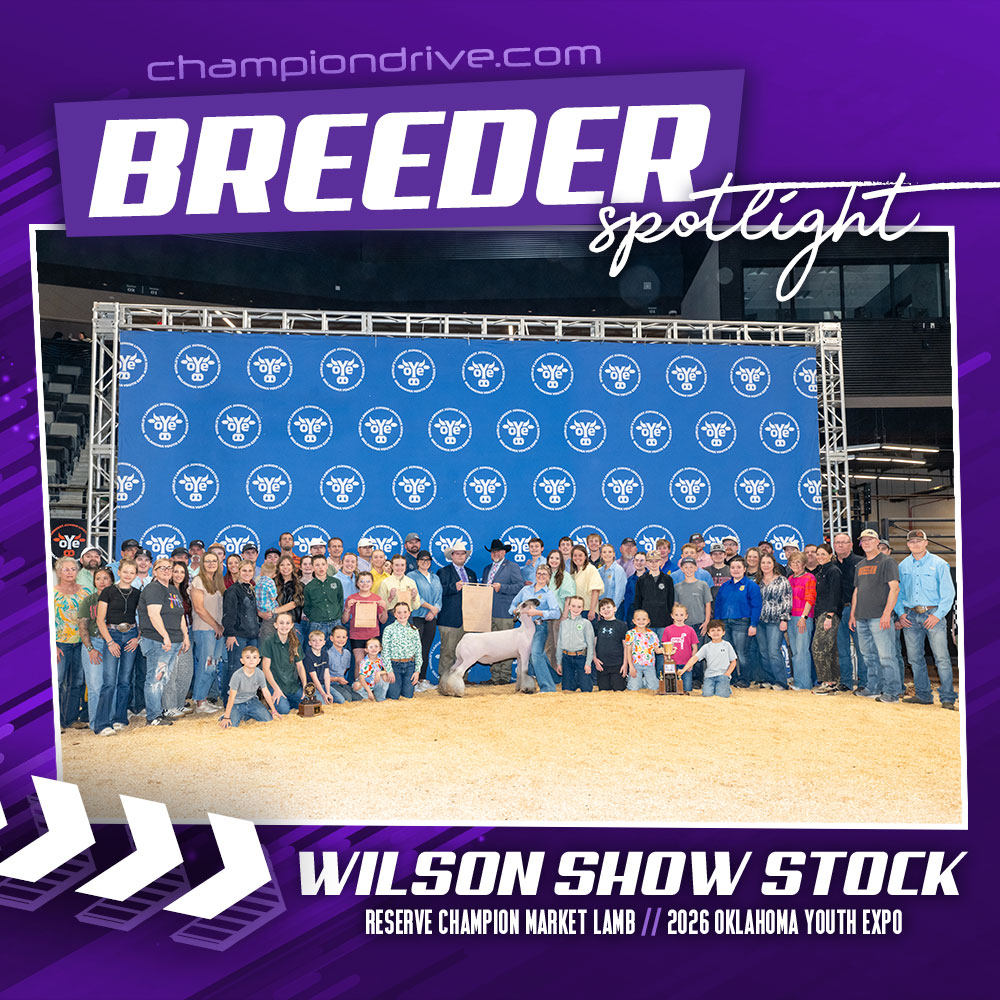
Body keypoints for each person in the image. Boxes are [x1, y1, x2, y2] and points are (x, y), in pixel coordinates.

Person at [895, 529, 957, 709]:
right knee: (914, 658)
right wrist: (901, 613)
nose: (915, 544)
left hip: (933, 614)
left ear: (926, 542)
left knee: (941, 658)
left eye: (918, 541)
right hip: (910, 616)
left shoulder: (940, 564)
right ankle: (923, 695)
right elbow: (899, 592)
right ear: (907, 544)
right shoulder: (903, 566)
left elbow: (948, 594)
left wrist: (937, 615)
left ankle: (947, 698)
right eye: (911, 541)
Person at [849, 528, 902, 703]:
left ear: (877, 542)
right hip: (861, 616)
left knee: (886, 656)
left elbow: (894, 589)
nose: (866, 543)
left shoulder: (887, 562)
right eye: (863, 540)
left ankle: (892, 692)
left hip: (879, 617)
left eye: (870, 540)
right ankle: (873, 687)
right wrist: (853, 614)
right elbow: (857, 591)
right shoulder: (860, 565)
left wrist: (887, 613)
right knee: (868, 655)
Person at [136, 557, 190, 727]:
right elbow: (153, 615)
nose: (166, 571)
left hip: (174, 640)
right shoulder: (153, 588)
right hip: (157, 641)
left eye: (169, 568)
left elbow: (180, 614)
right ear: (154, 571)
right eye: (162, 568)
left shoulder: (172, 589)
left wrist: (185, 635)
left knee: (163, 679)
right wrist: (165, 636)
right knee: (155, 679)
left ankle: (158, 712)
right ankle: (153, 716)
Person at [94, 558, 141, 734]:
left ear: (135, 575)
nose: (128, 575)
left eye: (132, 572)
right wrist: (110, 642)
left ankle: (120, 718)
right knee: (109, 682)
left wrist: (138, 637)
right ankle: (102, 724)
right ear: (119, 572)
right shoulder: (108, 592)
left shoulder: (138, 594)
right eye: (125, 572)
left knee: (125, 681)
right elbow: (100, 620)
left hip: (131, 636)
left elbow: (144, 617)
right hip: (112, 635)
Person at [509, 564, 562, 692]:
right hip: (524, 628)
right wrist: (515, 611)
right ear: (535, 575)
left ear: (548, 577)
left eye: (544, 574)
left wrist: (538, 612)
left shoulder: (548, 594)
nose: (541, 576)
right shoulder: (525, 590)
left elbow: (556, 613)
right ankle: (555, 678)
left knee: (535, 653)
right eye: (539, 573)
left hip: (539, 627)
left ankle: (548, 687)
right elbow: (513, 605)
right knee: (539, 655)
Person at [482, 538, 526, 684]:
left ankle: (504, 676)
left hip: (504, 612)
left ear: (504, 552)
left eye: (498, 551)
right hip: (489, 612)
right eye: (493, 551)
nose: (495, 553)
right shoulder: (487, 569)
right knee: (492, 645)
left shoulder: (512, 567)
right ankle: (494, 676)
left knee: (506, 645)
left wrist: (503, 588)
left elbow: (520, 586)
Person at [713, 557, 761, 687]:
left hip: (742, 623)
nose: (735, 570)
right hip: (724, 623)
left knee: (742, 652)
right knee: (728, 652)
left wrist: (753, 624)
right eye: (733, 567)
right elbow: (718, 604)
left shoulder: (751, 586)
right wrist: (717, 623)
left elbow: (756, 606)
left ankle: (744, 679)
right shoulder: (725, 586)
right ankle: (732, 677)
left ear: (744, 569)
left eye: (739, 567)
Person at [77, 567, 114, 733]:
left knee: (111, 684)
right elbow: (82, 626)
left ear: (112, 581)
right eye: (98, 578)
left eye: (105, 578)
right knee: (94, 685)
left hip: (113, 644)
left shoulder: (117, 600)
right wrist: (90, 648)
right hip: (94, 643)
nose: (102, 582)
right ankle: (96, 723)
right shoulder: (89, 601)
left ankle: (109, 720)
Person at [190, 550, 227, 713]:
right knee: (206, 665)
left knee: (213, 665)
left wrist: (220, 626)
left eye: (214, 561)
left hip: (217, 631)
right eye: (208, 561)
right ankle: (199, 702)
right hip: (204, 629)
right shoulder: (198, 581)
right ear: (202, 564)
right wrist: (215, 625)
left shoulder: (218, 582)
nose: (211, 564)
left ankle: (204, 699)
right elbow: (199, 609)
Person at [436, 542, 477, 679]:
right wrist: (453, 587)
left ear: (466, 556)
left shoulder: (471, 573)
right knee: (448, 652)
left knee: (465, 652)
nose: (460, 556)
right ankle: (445, 680)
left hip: (468, 619)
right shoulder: (443, 572)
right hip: (449, 619)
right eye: (457, 553)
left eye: (462, 553)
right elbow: (438, 591)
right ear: (452, 556)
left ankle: (461, 679)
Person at [54, 557, 85, 729]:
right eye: (66, 569)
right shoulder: (52, 593)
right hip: (60, 644)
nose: (70, 572)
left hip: (80, 643)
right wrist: (53, 645)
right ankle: (55, 721)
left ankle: (71, 719)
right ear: (59, 572)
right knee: (58, 682)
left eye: (73, 569)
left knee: (76, 682)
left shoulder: (84, 592)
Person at [219, 645, 281, 729]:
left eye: (254, 657)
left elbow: (266, 692)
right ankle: (228, 714)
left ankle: (246, 714)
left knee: (268, 719)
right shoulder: (237, 675)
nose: (251, 660)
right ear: (242, 660)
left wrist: (273, 710)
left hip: (252, 701)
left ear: (258, 661)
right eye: (248, 657)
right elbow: (231, 697)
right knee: (231, 725)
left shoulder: (260, 674)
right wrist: (227, 717)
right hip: (237, 703)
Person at [161, 561, 194, 717]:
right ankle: (168, 707)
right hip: (170, 634)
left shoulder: (184, 591)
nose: (179, 575)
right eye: (175, 571)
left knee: (185, 671)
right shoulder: (164, 590)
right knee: (171, 672)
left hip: (185, 633)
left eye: (182, 572)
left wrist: (185, 635)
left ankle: (179, 704)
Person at [811, 543, 844, 694]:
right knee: (830, 649)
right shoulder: (820, 571)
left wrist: (830, 615)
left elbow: (835, 595)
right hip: (820, 614)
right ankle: (833, 681)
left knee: (819, 647)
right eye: (818, 554)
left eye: (823, 554)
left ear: (831, 555)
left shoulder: (833, 571)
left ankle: (827, 682)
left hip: (828, 614)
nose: (820, 557)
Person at [756, 554, 791, 690]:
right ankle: (769, 679)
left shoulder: (782, 580)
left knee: (773, 652)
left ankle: (781, 682)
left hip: (776, 621)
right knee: (763, 652)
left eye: (768, 562)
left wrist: (784, 619)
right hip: (760, 621)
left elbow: (787, 600)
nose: (765, 565)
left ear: (773, 564)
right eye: (763, 563)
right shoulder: (758, 581)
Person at [260, 611, 307, 714]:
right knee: (284, 710)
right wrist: (276, 689)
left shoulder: (295, 643)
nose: (284, 626)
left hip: (292, 686)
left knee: (307, 703)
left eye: (287, 623)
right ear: (275, 625)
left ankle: (286, 700)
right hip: (275, 685)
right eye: (281, 623)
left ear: (292, 625)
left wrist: (305, 686)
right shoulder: (268, 642)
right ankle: (270, 699)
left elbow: (300, 666)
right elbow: (265, 669)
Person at [222, 559, 260, 684]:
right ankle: (230, 696)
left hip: (252, 636)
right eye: (244, 570)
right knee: (235, 669)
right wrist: (230, 634)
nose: (247, 573)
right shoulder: (232, 591)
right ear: (238, 571)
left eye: (250, 571)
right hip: (238, 636)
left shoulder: (251, 589)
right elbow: (229, 613)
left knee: (251, 669)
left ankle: (247, 695)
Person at [410, 550, 442, 692]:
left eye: (428, 559)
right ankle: (413, 681)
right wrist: (431, 608)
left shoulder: (435, 578)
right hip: (417, 616)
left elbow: (439, 597)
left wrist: (434, 610)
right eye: (422, 559)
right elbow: (416, 597)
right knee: (416, 650)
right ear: (417, 562)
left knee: (426, 649)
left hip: (431, 618)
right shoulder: (411, 576)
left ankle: (422, 679)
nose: (425, 562)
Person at [343, 570, 388, 671]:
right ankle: (358, 681)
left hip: (373, 634)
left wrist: (385, 609)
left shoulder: (377, 598)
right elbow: (344, 620)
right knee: (359, 662)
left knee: (373, 663)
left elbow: (383, 621)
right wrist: (347, 609)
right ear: (357, 583)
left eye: (368, 581)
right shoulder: (351, 598)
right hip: (357, 635)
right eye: (362, 581)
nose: (365, 584)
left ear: (372, 583)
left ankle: (373, 682)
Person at [786, 551, 817, 691]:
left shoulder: (809, 578)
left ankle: (804, 684)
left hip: (802, 617)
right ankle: (798, 681)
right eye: (793, 562)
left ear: (804, 564)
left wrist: (804, 617)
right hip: (791, 617)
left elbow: (810, 598)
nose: (796, 565)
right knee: (795, 651)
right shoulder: (790, 578)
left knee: (802, 651)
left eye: (799, 562)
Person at [684, 621, 738, 698]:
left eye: (718, 630)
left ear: (723, 632)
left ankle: (726, 688)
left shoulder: (727, 645)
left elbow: (733, 661)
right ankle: (720, 687)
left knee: (721, 695)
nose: (716, 633)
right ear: (708, 633)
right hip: (709, 676)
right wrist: (683, 670)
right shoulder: (706, 647)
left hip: (723, 675)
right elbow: (695, 658)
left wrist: (727, 673)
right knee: (707, 694)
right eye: (713, 630)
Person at [544, 548, 577, 675]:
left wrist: (564, 615)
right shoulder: (545, 576)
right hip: (547, 614)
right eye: (552, 558)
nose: (554, 560)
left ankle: (564, 673)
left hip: (559, 614)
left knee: (559, 645)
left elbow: (569, 597)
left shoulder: (565, 576)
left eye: (557, 558)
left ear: (561, 561)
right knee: (548, 645)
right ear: (548, 560)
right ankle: (552, 674)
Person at [303, 554, 344, 651]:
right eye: (317, 565)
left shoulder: (336, 582)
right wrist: (316, 617)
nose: (320, 567)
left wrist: (336, 613)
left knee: (336, 650)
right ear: (313, 567)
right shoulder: (309, 587)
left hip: (335, 622)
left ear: (327, 566)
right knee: (317, 651)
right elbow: (307, 607)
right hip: (318, 624)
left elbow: (340, 601)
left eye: (323, 564)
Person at [382, 602, 422, 700]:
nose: (402, 615)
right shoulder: (389, 629)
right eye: (399, 612)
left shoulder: (414, 630)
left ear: (409, 613)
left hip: (410, 666)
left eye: (405, 612)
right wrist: (389, 670)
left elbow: (418, 650)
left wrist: (417, 671)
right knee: (393, 696)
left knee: (408, 696)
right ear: (395, 614)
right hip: (395, 666)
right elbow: (385, 651)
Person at [555, 595, 596, 692]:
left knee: (586, 689)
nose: (576, 609)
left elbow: (590, 645)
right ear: (569, 607)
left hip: (581, 658)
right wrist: (559, 662)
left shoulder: (586, 623)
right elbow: (559, 643)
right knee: (567, 689)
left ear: (582, 608)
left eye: (579, 607)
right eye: (573, 606)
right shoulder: (563, 623)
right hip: (566, 659)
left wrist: (588, 663)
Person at [632, 549, 674, 633]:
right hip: (646, 622)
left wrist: (670, 618)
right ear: (647, 563)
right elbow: (638, 601)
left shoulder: (667, 579)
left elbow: (670, 600)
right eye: (651, 561)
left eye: (656, 561)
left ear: (660, 562)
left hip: (664, 621)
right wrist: (638, 618)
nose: (653, 564)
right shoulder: (641, 580)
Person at [662, 604, 699, 693]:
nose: (679, 617)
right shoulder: (667, 630)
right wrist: (666, 661)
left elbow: (695, 648)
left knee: (687, 689)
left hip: (686, 664)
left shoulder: (690, 630)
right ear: (672, 616)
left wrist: (691, 664)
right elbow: (665, 647)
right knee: (671, 688)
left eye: (682, 615)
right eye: (676, 615)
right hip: (672, 664)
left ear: (686, 616)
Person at [672, 557, 712, 640]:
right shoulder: (677, 587)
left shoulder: (703, 585)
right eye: (686, 567)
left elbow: (708, 605)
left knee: (698, 648)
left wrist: (706, 622)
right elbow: (676, 605)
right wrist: (676, 622)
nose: (689, 569)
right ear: (682, 569)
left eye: (691, 567)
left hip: (699, 625)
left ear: (696, 568)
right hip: (683, 624)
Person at [592, 597, 627, 692]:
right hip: (602, 665)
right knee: (604, 690)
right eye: (603, 608)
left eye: (608, 607)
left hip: (617, 665)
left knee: (619, 689)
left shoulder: (622, 625)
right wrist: (595, 659)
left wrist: (625, 664)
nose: (606, 610)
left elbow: (626, 647)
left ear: (615, 608)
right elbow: (593, 644)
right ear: (600, 612)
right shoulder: (597, 625)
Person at [323, 625, 364, 704]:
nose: (341, 640)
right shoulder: (327, 655)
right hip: (330, 684)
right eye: (338, 637)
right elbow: (322, 676)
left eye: (343, 637)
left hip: (341, 683)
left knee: (359, 699)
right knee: (347, 699)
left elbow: (345, 670)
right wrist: (336, 679)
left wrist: (341, 680)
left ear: (347, 638)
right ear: (331, 638)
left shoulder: (347, 653)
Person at [624, 608, 660, 691]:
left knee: (653, 687)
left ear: (648, 621)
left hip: (649, 664)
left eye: (644, 619)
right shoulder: (630, 633)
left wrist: (666, 650)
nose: (641, 621)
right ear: (633, 621)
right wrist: (631, 667)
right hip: (635, 664)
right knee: (633, 688)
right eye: (638, 619)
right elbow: (628, 651)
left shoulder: (652, 634)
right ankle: (637, 680)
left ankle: (644, 680)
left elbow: (657, 650)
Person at [274, 555, 305, 647]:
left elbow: (294, 603)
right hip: (274, 623)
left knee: (295, 651)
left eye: (288, 564)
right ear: (278, 567)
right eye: (282, 565)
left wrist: (274, 611)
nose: (285, 567)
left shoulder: (300, 585)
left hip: (294, 624)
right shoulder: (271, 583)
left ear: (293, 567)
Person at [568, 543, 605, 621]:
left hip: (587, 611)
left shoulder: (591, 569)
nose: (577, 558)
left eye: (580, 555)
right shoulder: (573, 573)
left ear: (585, 557)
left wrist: (592, 610)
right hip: (575, 611)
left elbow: (595, 590)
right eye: (575, 555)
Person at [354, 637, 390, 701]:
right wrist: (369, 692)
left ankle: (380, 697)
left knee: (386, 676)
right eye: (371, 647)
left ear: (380, 648)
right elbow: (361, 678)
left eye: (376, 646)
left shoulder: (381, 658)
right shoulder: (364, 662)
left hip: (375, 681)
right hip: (365, 683)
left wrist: (379, 673)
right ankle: (367, 696)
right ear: (366, 650)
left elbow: (388, 669)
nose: (374, 649)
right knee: (356, 685)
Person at [597, 544, 626, 613]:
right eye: (604, 552)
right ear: (601, 555)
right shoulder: (599, 571)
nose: (607, 554)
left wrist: (613, 609)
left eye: (610, 552)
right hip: (602, 608)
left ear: (614, 554)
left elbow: (619, 592)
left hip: (615, 608)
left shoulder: (618, 570)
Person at [255, 559, 279, 643]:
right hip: (270, 610)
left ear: (261, 573)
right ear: (274, 575)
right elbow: (273, 597)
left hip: (260, 609)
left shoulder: (258, 582)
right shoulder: (270, 582)